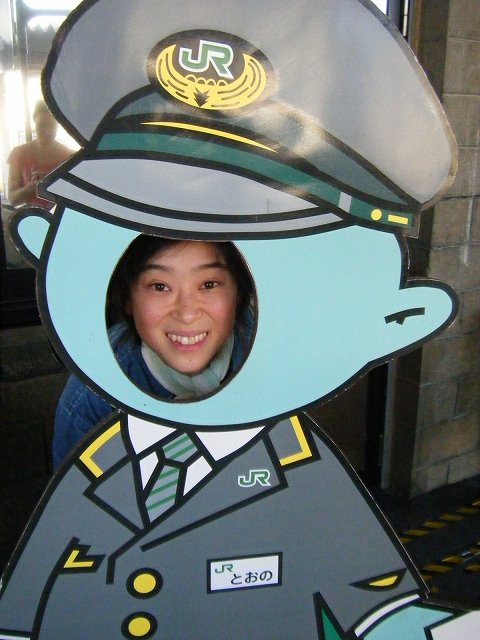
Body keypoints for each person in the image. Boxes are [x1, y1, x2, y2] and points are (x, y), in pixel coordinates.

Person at [52, 235, 255, 468]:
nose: (187, 314)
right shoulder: (92, 394)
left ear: (239, 292)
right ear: (127, 298)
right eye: (160, 287)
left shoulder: (270, 358)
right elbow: (77, 487)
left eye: (208, 284)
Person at [7, 99, 72, 208]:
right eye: (42, 125)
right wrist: (31, 188)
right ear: (34, 119)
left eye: (52, 126)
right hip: (31, 216)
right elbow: (12, 199)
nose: (47, 131)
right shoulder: (18, 154)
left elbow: (76, 198)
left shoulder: (70, 156)